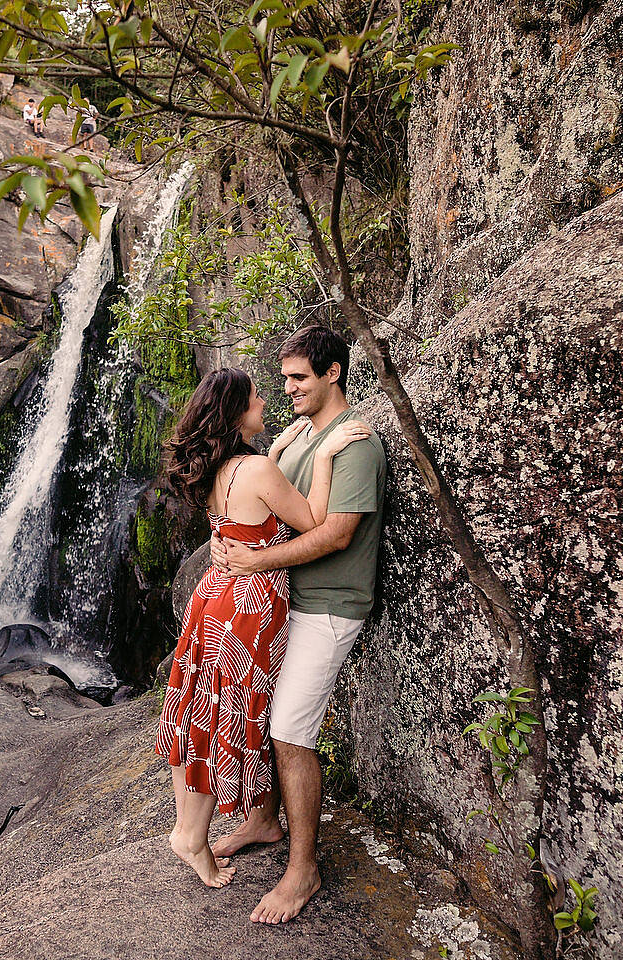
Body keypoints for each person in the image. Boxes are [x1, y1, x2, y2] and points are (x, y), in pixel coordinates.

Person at [155, 367, 370, 888]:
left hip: (214, 597)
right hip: (248, 607)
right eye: (255, 398)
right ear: (235, 413)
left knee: (198, 715)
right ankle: (191, 835)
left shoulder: (223, 468)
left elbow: (247, 502)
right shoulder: (255, 469)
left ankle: (204, 828)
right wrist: (322, 456)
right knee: (224, 719)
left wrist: (275, 454)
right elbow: (316, 519)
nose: (266, 403)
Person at [209, 325, 387, 924]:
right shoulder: (307, 435)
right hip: (287, 602)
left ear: (333, 372)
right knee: (256, 712)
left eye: (299, 378)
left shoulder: (355, 441)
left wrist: (256, 559)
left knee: (289, 730)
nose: (288, 388)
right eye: (282, 379)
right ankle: (263, 819)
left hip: (329, 606)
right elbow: (268, 478)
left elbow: (335, 533)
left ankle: (303, 868)